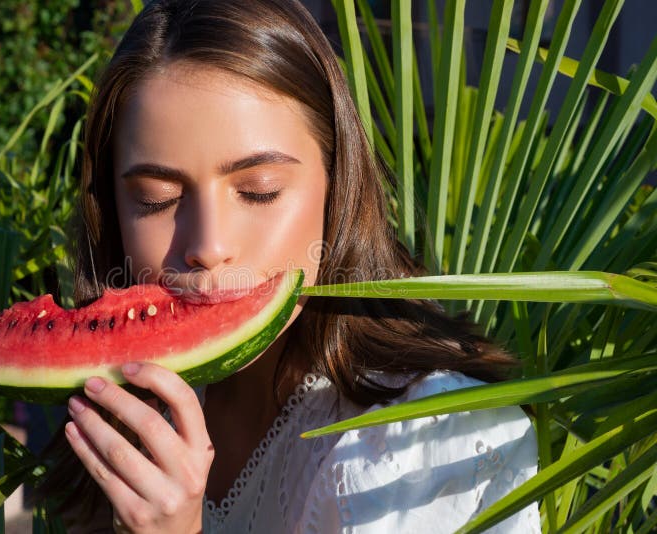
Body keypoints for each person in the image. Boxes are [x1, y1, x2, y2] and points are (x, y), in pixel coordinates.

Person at [38, 0, 540, 532]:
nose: (208, 247)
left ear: (336, 188)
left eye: (259, 191)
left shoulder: (433, 447)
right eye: (157, 199)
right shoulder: (119, 412)